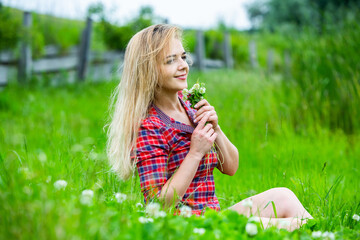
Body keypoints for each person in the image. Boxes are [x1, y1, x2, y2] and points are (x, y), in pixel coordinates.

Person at [107, 24, 313, 231]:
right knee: (294, 226)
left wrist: (217, 129)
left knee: (284, 196)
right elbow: (157, 206)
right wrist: (195, 153)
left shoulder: (189, 106)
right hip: (187, 228)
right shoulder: (149, 127)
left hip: (212, 218)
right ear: (149, 71)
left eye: (183, 57)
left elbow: (231, 167)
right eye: (171, 60)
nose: (183, 66)